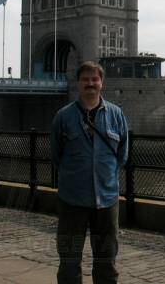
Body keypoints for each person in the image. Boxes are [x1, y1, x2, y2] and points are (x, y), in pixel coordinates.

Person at [50, 60, 128, 284]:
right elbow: (56, 156)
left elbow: (122, 153)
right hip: (72, 201)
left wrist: (106, 175)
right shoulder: (63, 117)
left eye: (95, 79)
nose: (90, 84)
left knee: (107, 261)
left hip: (106, 200)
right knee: (69, 261)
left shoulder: (116, 115)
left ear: (102, 83)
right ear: (77, 84)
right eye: (85, 79)